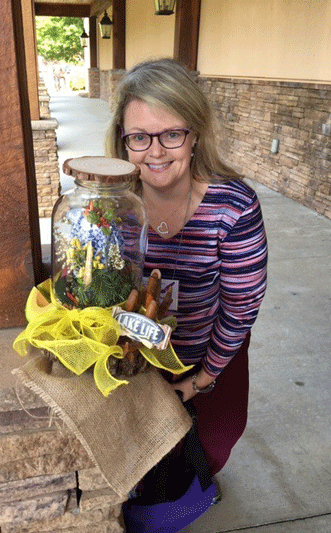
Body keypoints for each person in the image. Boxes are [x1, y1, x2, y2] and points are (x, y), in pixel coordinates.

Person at [105, 58, 268, 528]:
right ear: (123, 139)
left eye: (171, 134)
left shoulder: (234, 206)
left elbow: (240, 308)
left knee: (209, 446)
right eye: (140, 137)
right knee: (136, 457)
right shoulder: (110, 204)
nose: (155, 151)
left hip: (207, 356)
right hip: (132, 358)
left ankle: (190, 492)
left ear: (195, 134)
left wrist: (199, 381)